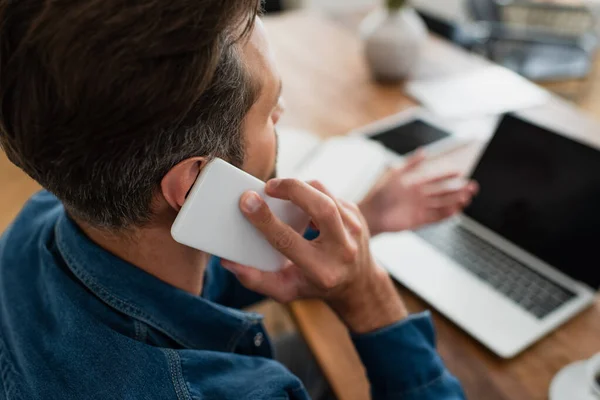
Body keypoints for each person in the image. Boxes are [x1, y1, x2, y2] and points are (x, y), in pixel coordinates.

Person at [0, 1, 478, 399]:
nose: (282, 113)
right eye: (270, 110)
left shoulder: (38, 219)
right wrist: (369, 298)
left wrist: (365, 217)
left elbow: (172, 282)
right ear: (192, 184)